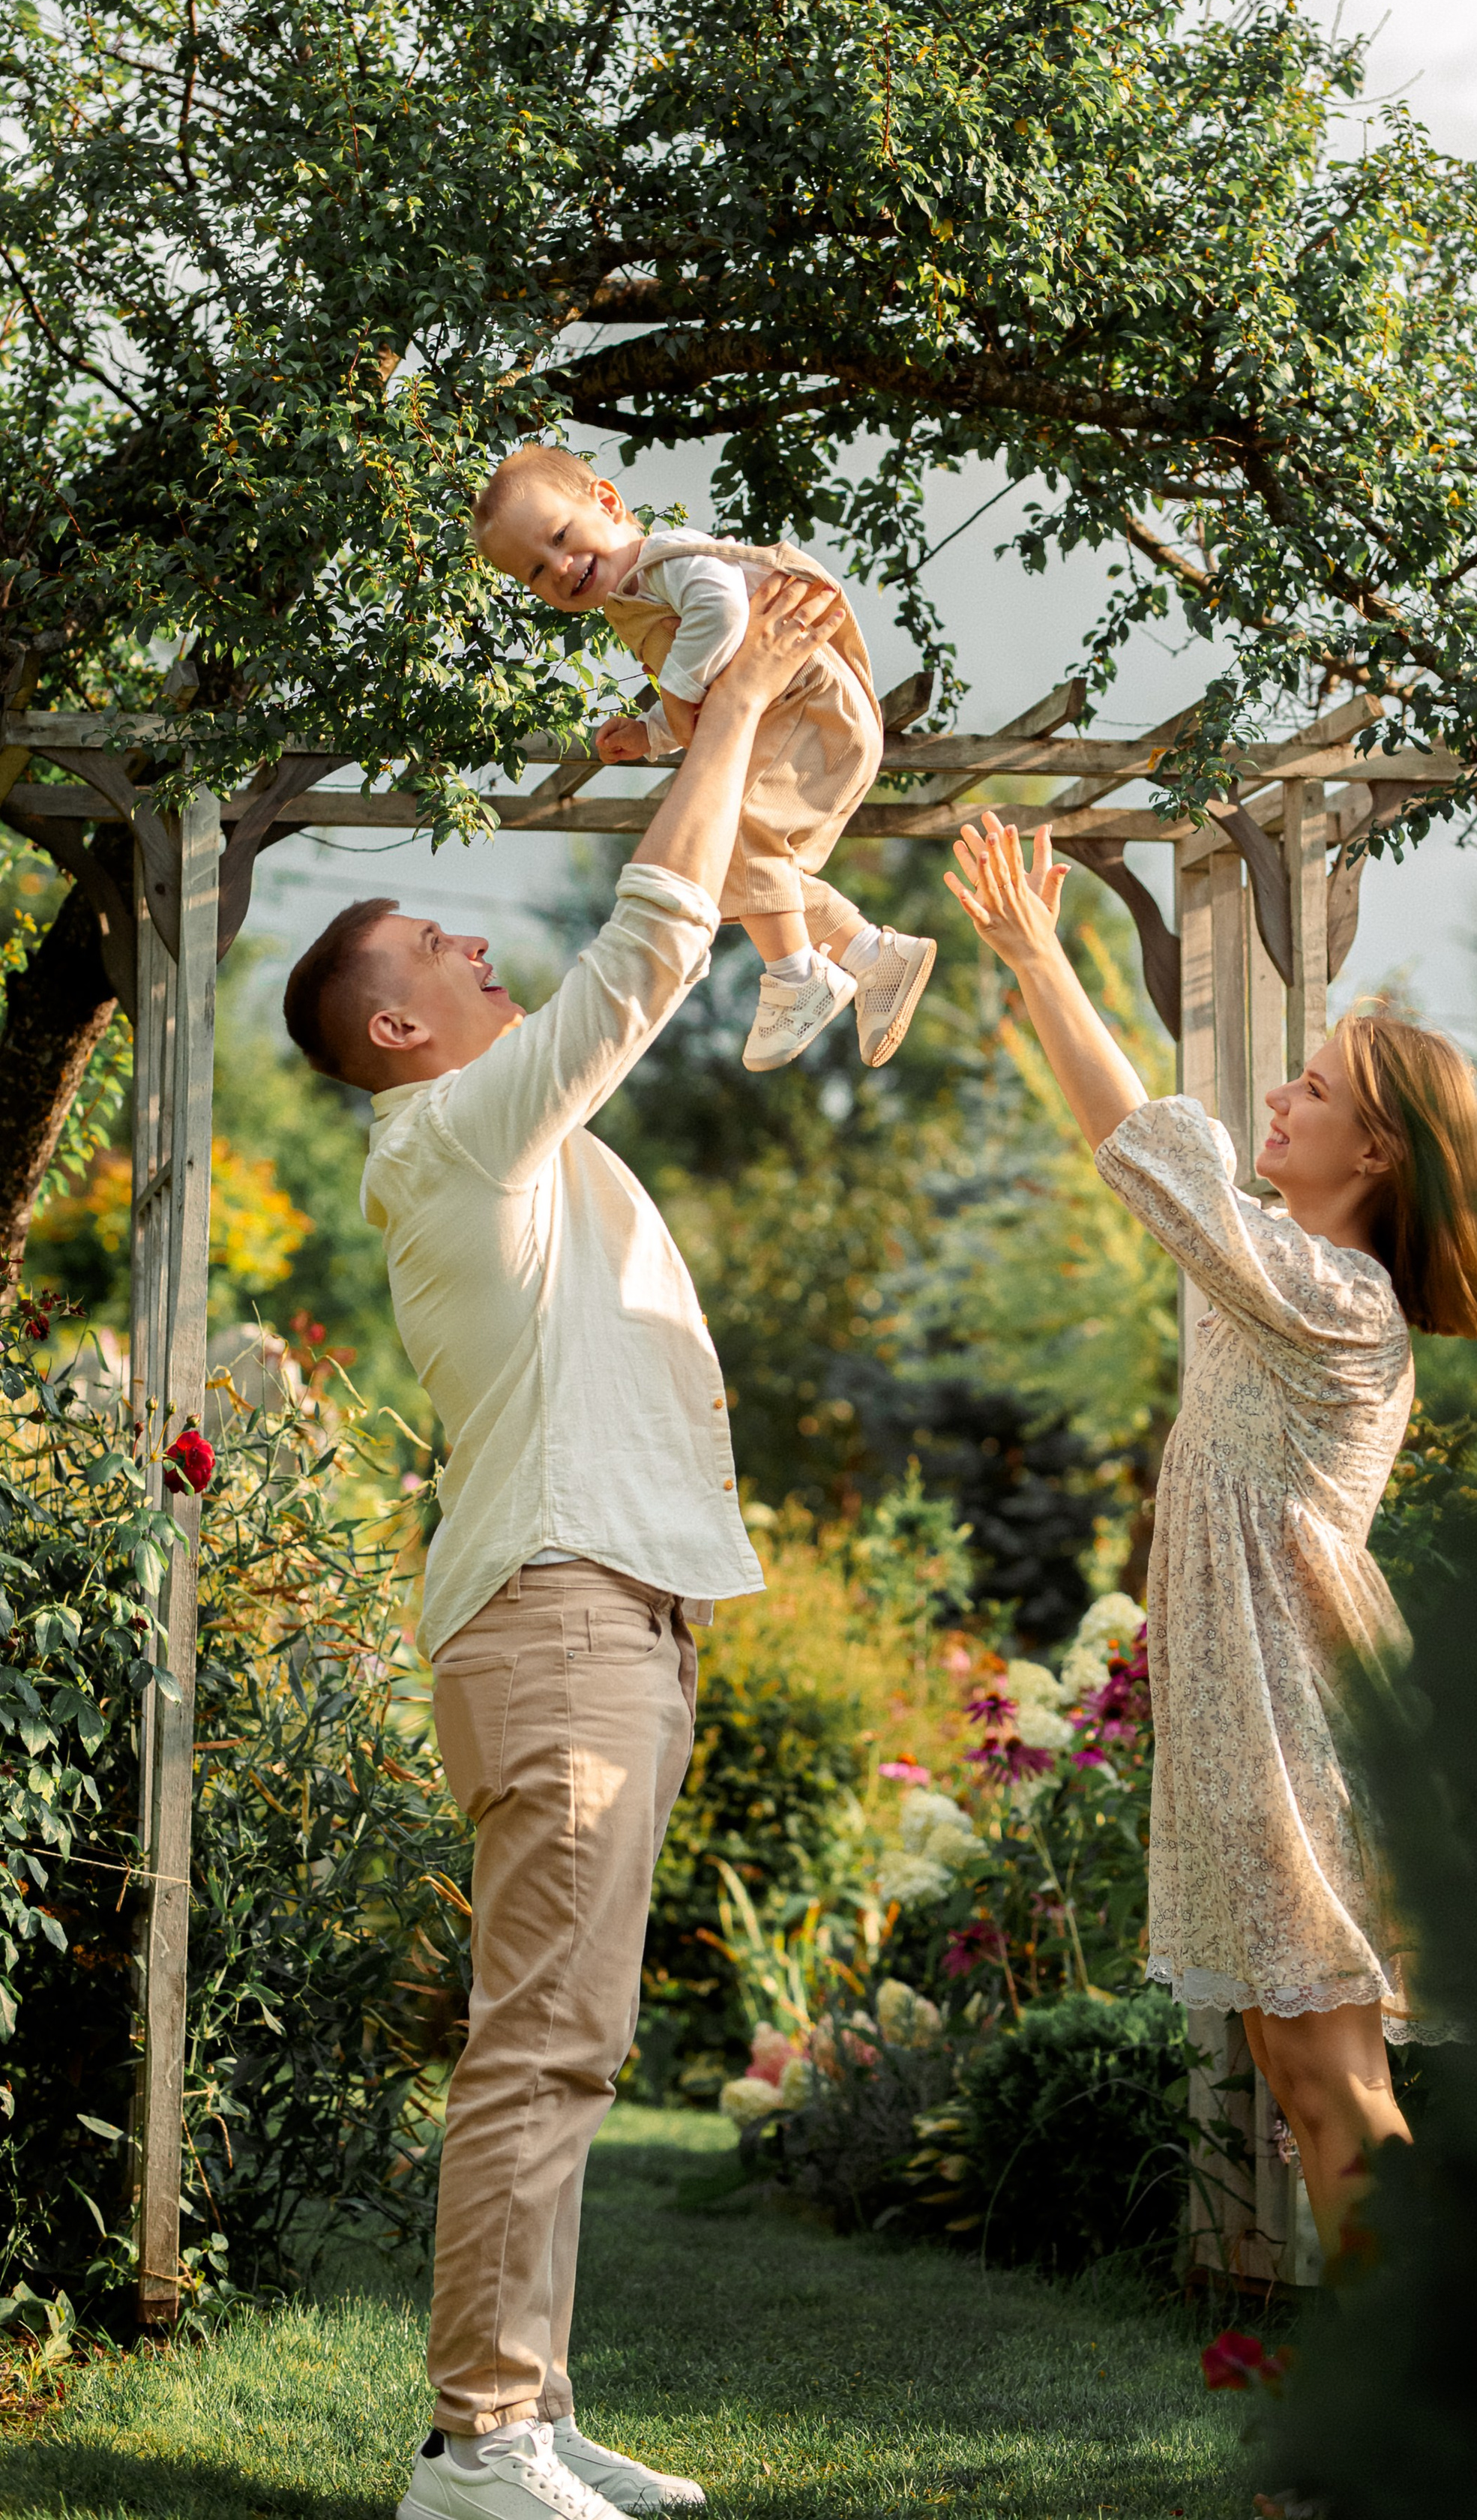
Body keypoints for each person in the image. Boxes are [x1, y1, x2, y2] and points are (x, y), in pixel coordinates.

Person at [280, 572, 848, 2520]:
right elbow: (651, 950)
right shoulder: (454, 1131)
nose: (472, 936)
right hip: (562, 1615)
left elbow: (663, 912)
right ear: (398, 1022)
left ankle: (528, 2405)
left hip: (606, 1613)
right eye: (435, 939)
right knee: (543, 2042)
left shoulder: (490, 1137)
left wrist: (675, 736)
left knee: (567, 2038)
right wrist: (731, 704)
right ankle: (479, 2442)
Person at [944, 812, 1477, 2264]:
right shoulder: (1277, 1274)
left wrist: (1036, 954)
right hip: (1250, 1712)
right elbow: (1166, 1173)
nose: (1276, 1094)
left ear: (1375, 1148)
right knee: (1300, 2073)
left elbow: (1143, 1145)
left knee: (1333, 2081)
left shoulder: (1335, 1297)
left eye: (1309, 1088)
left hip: (1295, 1717)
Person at [470, 444, 936, 1074]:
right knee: (726, 859)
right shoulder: (632, 596)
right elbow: (710, 690)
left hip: (809, 709)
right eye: (535, 570)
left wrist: (672, 693)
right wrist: (652, 732)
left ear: (607, 501)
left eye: (560, 536)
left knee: (735, 830)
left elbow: (722, 613)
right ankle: (872, 955)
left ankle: (797, 976)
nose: (560, 566)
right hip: (786, 715)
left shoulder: (669, 559)